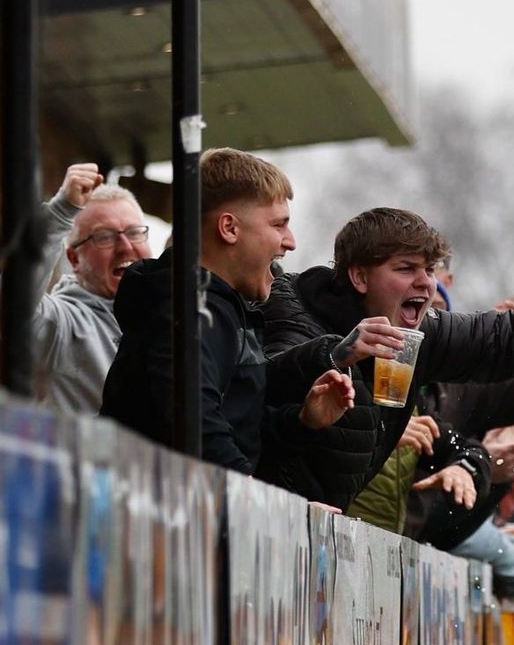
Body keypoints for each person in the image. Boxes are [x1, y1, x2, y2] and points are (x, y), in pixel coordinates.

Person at [260, 206, 514, 509]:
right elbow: (260, 394)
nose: (425, 282)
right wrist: (335, 355)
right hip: (264, 519)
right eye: (406, 269)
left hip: (318, 529)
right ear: (359, 276)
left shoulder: (419, 334)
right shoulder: (294, 312)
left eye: (430, 269)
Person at [101, 149, 354, 472]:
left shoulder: (220, 309)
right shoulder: (191, 311)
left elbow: (233, 427)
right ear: (229, 228)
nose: (290, 241)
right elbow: (195, 428)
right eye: (279, 225)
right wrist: (258, 508)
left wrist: (302, 421)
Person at [0, 162, 151, 413]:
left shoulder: (169, 319)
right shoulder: (61, 326)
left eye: (134, 232)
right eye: (104, 237)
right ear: (75, 259)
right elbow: (12, 307)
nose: (125, 246)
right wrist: (61, 211)